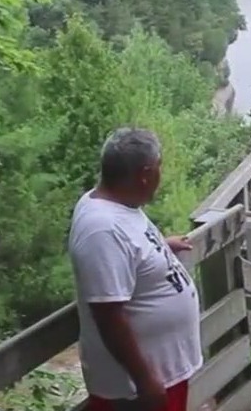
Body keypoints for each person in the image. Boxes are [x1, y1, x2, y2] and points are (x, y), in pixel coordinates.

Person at [68, 128, 201, 411]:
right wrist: (144, 381)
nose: (161, 174)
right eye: (159, 166)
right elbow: (108, 315)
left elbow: (127, 253)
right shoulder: (101, 229)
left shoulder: (116, 203)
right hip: (134, 391)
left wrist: (160, 248)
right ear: (145, 174)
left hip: (162, 375)